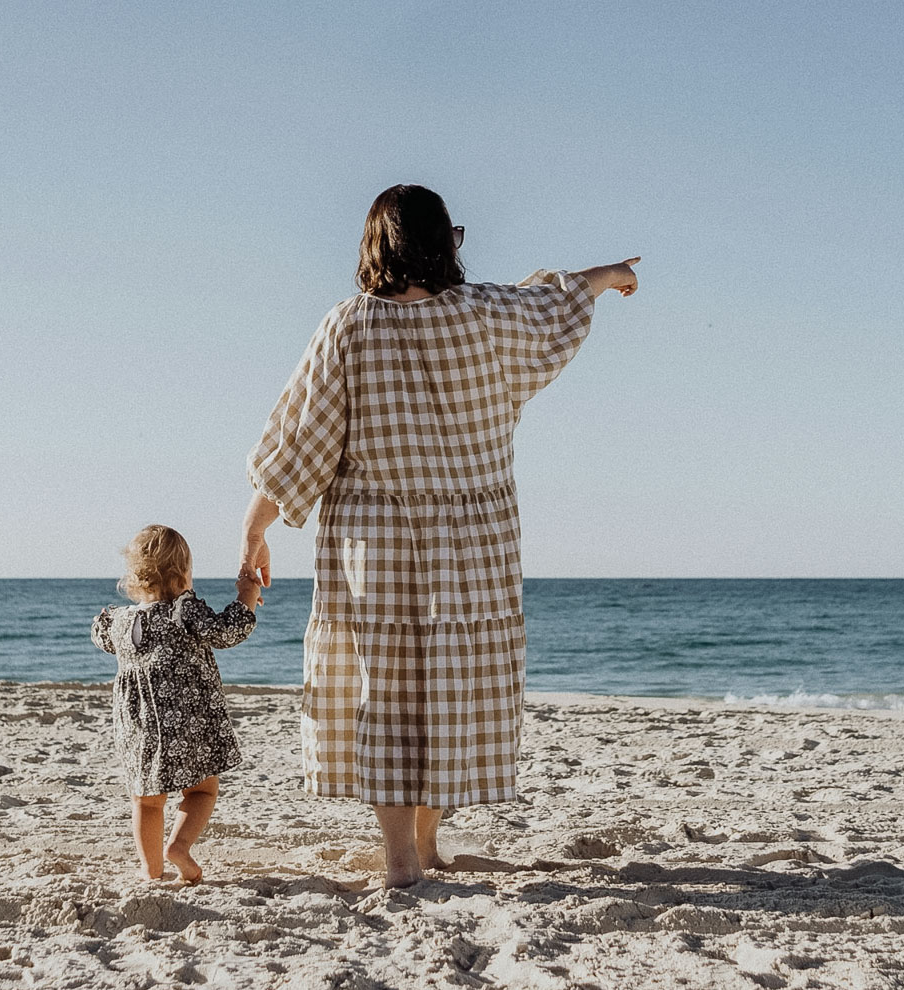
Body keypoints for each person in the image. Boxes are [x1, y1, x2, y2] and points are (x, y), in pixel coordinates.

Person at [241, 184, 639, 888]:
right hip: (473, 540)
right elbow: (555, 302)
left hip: (374, 540)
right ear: (443, 242)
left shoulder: (348, 326)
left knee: (386, 690)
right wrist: (608, 277)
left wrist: (254, 534)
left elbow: (301, 444)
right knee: (453, 686)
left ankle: (402, 855)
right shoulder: (484, 313)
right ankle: (425, 844)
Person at [93, 524, 260, 884]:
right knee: (202, 789)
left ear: (134, 577)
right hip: (187, 721)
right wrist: (246, 596)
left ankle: (150, 869)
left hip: (138, 727)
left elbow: (100, 636)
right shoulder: (184, 611)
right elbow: (228, 631)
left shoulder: (119, 621)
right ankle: (179, 847)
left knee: (146, 800)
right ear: (182, 574)